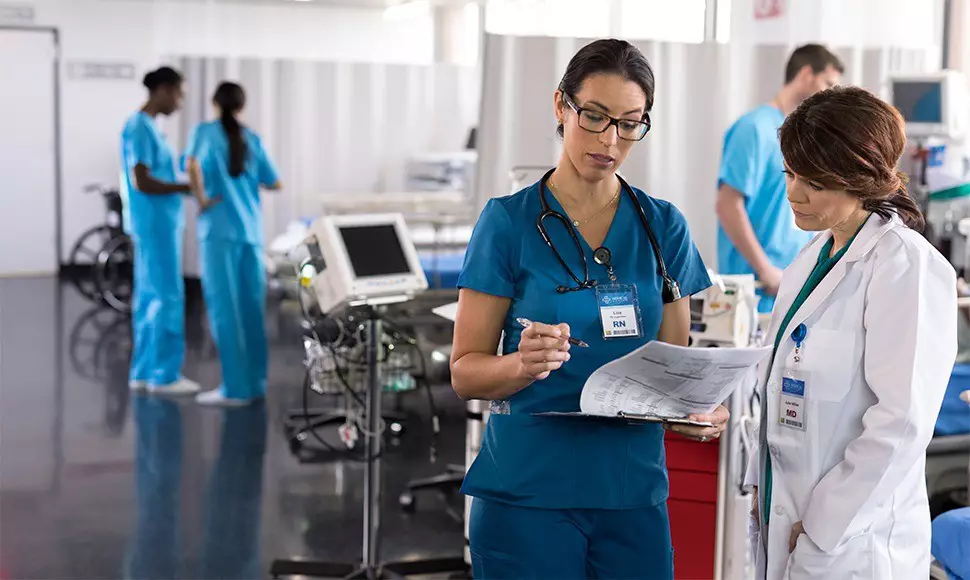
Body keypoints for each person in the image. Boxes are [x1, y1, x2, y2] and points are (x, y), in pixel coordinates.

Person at [450, 39, 727, 579]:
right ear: (561, 106)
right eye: (595, 117)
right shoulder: (507, 223)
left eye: (630, 123)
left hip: (632, 495)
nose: (610, 140)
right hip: (528, 496)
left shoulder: (662, 225)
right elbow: (465, 374)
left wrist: (697, 408)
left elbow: (673, 367)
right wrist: (518, 365)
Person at [745, 86, 957, 580]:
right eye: (791, 173)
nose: (794, 193)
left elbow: (900, 422)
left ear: (858, 179)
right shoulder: (808, 262)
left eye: (814, 182)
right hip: (789, 524)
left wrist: (824, 524)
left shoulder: (905, 267)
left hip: (854, 544)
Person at [716, 44, 843, 313]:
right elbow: (728, 205)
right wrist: (765, 269)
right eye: (828, 83)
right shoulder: (754, 129)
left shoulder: (802, 136)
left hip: (794, 282)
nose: (830, 94)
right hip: (756, 289)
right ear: (807, 74)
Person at [184, 82, 281, 406]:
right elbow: (275, 181)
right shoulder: (251, 138)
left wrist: (201, 198)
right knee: (252, 310)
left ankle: (235, 388)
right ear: (241, 106)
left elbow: (191, 165)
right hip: (250, 234)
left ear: (214, 102)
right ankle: (256, 382)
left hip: (218, 232)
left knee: (226, 311)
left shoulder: (205, 133)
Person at [121, 66, 200, 396]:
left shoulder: (147, 127)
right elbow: (142, 180)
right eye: (179, 93)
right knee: (167, 296)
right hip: (156, 224)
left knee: (149, 297)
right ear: (164, 90)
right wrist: (185, 188)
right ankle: (164, 376)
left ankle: (143, 371)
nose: (180, 101)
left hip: (154, 223)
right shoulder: (140, 127)